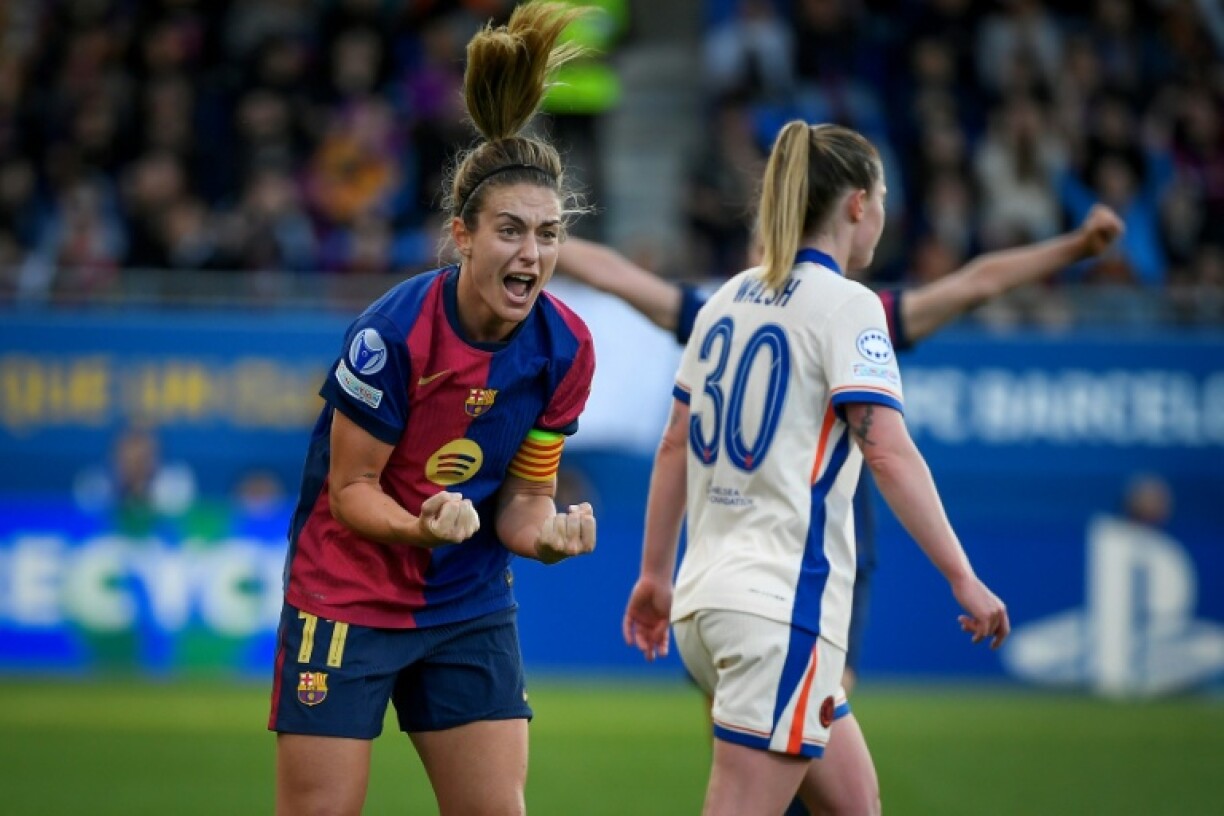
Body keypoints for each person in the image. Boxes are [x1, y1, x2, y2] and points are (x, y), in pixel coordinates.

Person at [560, 203, 1124, 694]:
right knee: (782, 740)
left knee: (798, 738)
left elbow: (977, 282)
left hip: (788, 558)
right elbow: (616, 275)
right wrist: (536, 237)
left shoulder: (792, 313)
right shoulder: (756, 309)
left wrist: (1075, 247)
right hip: (763, 557)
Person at [621, 122, 1011, 815]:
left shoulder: (725, 300)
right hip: (779, 609)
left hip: (706, 604)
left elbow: (674, 445)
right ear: (858, 204)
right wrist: (962, 576)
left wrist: (655, 576)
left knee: (855, 804)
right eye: (882, 199)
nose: (883, 215)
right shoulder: (849, 305)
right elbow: (886, 450)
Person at [268, 5, 598, 815]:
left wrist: (547, 536)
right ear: (462, 235)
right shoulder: (391, 335)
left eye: (549, 235)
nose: (532, 254)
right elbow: (351, 492)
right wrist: (422, 527)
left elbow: (524, 497)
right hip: (345, 593)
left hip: (467, 602)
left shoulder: (566, 348)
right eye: (511, 231)